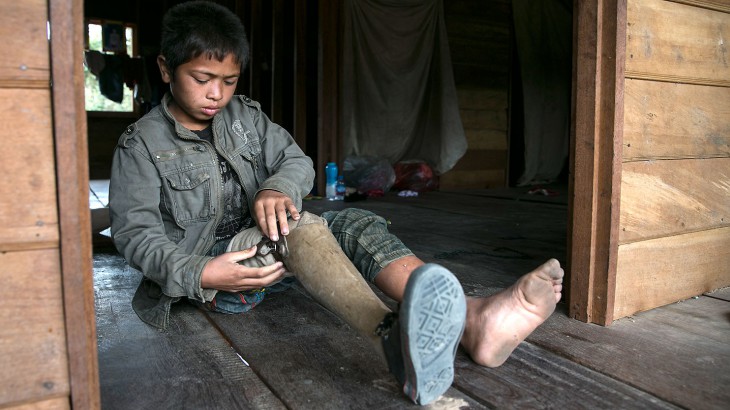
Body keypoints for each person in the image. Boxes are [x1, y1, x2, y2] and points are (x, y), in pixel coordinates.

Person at [109, 1, 564, 406]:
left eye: (229, 81)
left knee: (350, 222)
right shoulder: (141, 145)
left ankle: (474, 318)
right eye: (202, 79)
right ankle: (391, 336)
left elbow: (294, 160)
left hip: (274, 256)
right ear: (166, 69)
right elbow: (134, 235)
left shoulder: (245, 116)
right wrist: (203, 273)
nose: (216, 94)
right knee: (304, 227)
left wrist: (277, 188)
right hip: (214, 282)